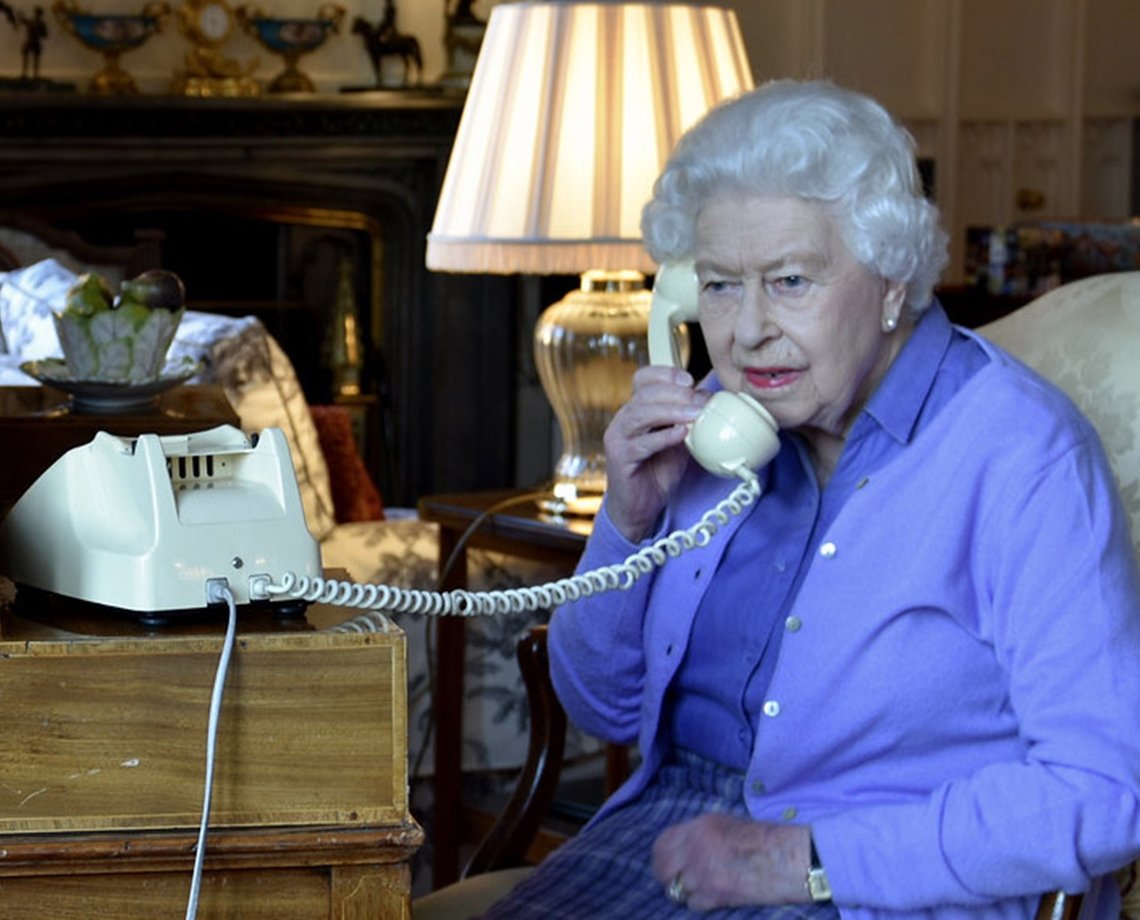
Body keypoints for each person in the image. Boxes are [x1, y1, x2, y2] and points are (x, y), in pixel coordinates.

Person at [479, 80, 1140, 920]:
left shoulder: (1024, 456)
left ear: (893, 281)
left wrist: (807, 860)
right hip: (670, 845)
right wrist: (627, 520)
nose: (748, 330)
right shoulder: (717, 426)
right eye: (718, 285)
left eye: (789, 280)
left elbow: (1106, 789)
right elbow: (601, 706)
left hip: (892, 880)